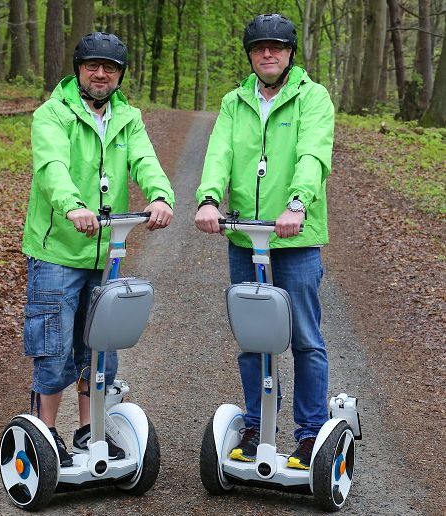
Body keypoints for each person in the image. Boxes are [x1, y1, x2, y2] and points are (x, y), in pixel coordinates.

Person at [22, 31, 174, 467]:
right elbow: (52, 168)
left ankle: (90, 428)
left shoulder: (128, 118)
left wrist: (161, 195)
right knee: (53, 349)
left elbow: (145, 161)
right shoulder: (53, 114)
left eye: (110, 67)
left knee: (100, 348)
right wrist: (73, 207)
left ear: (121, 75)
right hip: (56, 251)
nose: (101, 74)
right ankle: (46, 436)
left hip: (107, 253)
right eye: (93, 65)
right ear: (79, 69)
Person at [194, 13, 334, 470]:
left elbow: (314, 153)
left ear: (291, 52)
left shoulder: (313, 98)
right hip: (245, 236)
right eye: (259, 48)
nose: (268, 54)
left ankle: (311, 433)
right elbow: (220, 153)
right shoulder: (235, 102)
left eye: (276, 47)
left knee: (304, 339)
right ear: (250, 55)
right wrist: (210, 198)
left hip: (294, 236)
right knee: (254, 337)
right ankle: (257, 424)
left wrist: (298, 204)